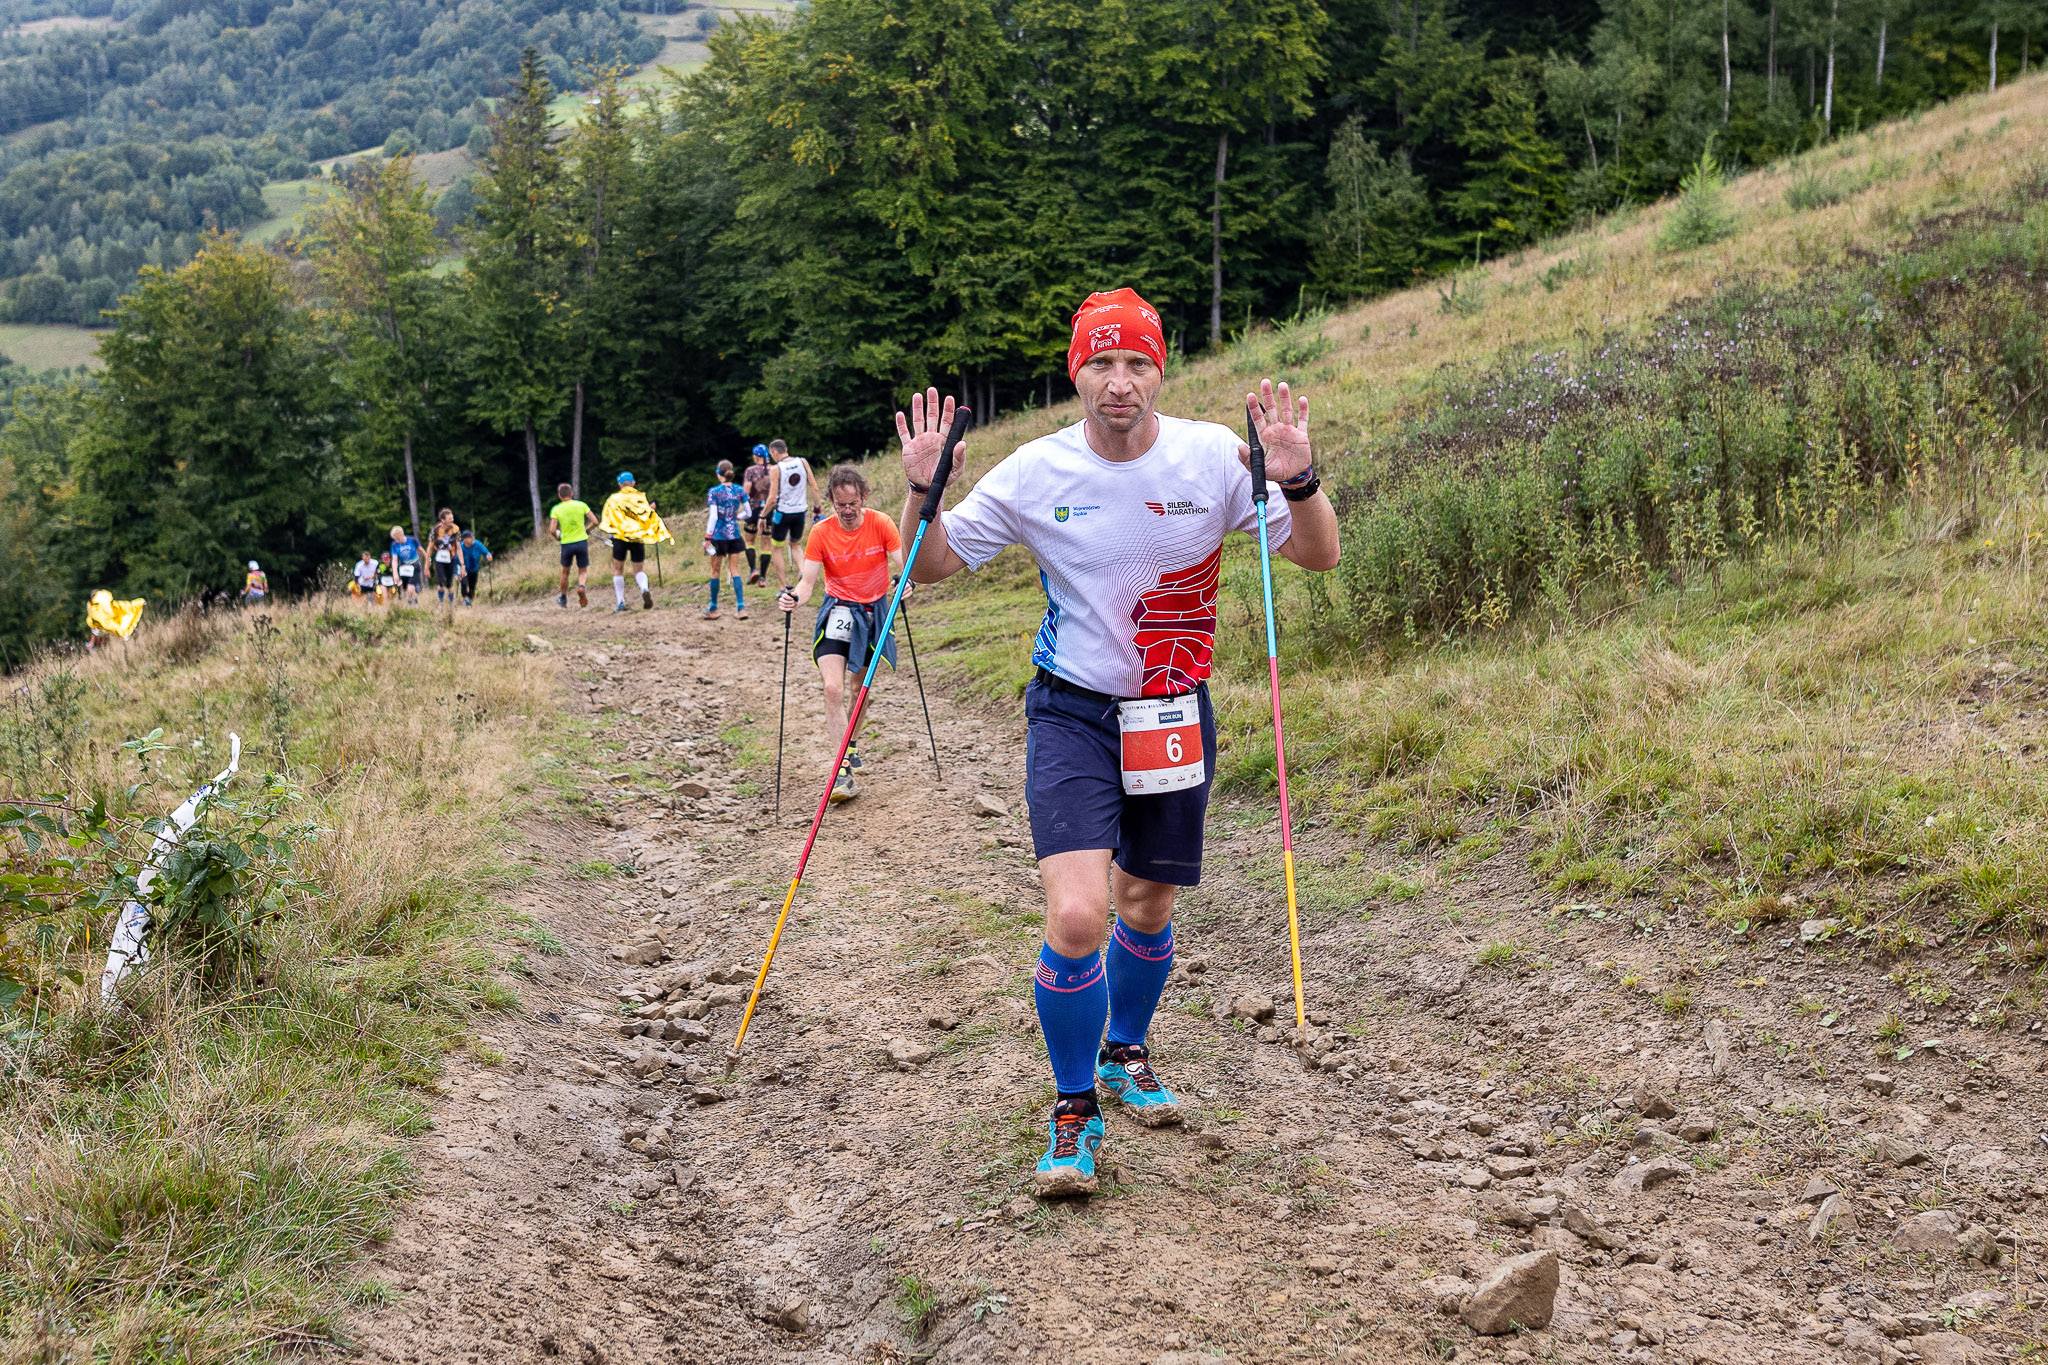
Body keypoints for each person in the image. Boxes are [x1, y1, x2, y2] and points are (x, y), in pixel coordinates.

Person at [895, 288, 1340, 1197]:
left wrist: (1299, 480)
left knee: (1146, 902)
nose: (1120, 381)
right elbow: (928, 565)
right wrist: (921, 491)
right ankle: (1073, 1108)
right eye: (1101, 362)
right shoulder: (1036, 471)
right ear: (1077, 375)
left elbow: (1317, 552)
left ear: (1160, 371)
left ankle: (1124, 1049)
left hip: (1172, 710)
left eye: (1137, 362)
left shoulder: (1212, 457)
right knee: (1077, 916)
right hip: (1073, 713)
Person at [776, 465, 908, 803]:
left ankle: (851, 741)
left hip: (873, 612)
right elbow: (807, 583)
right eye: (840, 505)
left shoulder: (881, 523)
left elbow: (904, 566)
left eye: (853, 504)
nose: (847, 511)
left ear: (863, 497)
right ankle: (842, 771)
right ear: (832, 502)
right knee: (832, 687)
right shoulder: (821, 532)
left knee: (858, 689)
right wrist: (793, 599)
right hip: (837, 610)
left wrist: (906, 583)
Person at [600, 471, 673, 611]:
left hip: (619, 538)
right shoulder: (640, 498)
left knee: (618, 569)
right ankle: (644, 588)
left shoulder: (613, 499)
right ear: (633, 483)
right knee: (639, 570)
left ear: (619, 484)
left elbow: (608, 520)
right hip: (637, 538)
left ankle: (621, 602)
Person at [765, 438, 817, 595]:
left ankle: (783, 587)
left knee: (777, 548)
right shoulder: (802, 462)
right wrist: (817, 507)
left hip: (782, 514)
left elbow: (772, 498)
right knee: (795, 544)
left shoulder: (776, 469)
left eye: (771, 454)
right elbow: (814, 486)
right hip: (800, 511)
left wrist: (762, 515)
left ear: (775, 452)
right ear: (786, 449)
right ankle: (803, 571)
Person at [702, 460, 751, 620]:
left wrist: (707, 536)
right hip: (734, 535)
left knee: (715, 571)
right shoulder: (739, 490)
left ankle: (713, 608)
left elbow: (714, 516)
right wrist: (737, 517)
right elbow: (749, 512)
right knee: (735, 570)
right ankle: (741, 608)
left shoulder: (714, 492)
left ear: (719, 474)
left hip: (718, 536)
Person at [549, 483, 596, 608]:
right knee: (583, 570)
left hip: (566, 544)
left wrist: (558, 537)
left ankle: (563, 598)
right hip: (581, 542)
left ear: (559, 496)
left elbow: (552, 530)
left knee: (565, 572)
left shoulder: (556, 509)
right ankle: (581, 587)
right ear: (572, 493)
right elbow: (595, 521)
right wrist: (588, 530)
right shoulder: (581, 505)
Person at [742, 445, 774, 585]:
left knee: (749, 541)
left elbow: (746, 492)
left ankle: (753, 570)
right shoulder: (774, 470)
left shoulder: (751, 471)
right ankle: (763, 578)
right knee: (766, 544)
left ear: (756, 456)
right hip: (769, 510)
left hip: (753, 509)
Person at [428, 508, 463, 605]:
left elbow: (459, 548)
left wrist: (462, 564)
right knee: (441, 582)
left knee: (449, 585)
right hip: (439, 559)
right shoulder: (435, 530)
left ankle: (451, 604)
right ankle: (440, 603)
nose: (452, 520)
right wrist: (427, 565)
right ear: (443, 520)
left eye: (452, 518)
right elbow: (430, 548)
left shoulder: (456, 529)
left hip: (451, 558)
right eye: (449, 519)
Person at [390, 525, 423, 604]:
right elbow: (394, 560)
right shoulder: (394, 545)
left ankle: (413, 606)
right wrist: (395, 573)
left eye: (398, 538)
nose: (396, 541)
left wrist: (428, 561)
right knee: (406, 590)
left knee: (410, 588)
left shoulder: (412, 540)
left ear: (402, 534)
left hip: (415, 566)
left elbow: (421, 550)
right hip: (404, 567)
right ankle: (413, 605)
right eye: (395, 539)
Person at [460, 530, 491, 605]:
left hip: (474, 568)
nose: (472, 538)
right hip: (464, 568)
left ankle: (470, 601)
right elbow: (456, 559)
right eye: (470, 537)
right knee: (464, 583)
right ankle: (465, 599)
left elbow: (486, 552)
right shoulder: (461, 547)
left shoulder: (478, 544)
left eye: (472, 537)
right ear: (464, 539)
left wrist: (488, 555)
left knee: (472, 586)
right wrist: (457, 570)